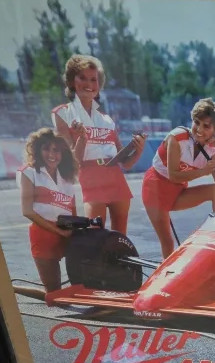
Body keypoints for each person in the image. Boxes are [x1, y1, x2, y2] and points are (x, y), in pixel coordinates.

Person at [52, 55, 144, 235]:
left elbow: (125, 163)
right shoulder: (62, 113)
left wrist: (138, 149)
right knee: (95, 237)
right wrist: (82, 139)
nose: (89, 84)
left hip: (115, 178)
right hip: (90, 177)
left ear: (99, 84)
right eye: (82, 78)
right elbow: (72, 162)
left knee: (120, 239)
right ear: (71, 81)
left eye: (93, 79)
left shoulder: (106, 119)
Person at [141, 98, 215, 258]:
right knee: (168, 242)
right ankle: (167, 272)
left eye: (206, 126)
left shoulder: (212, 150)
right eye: (197, 122)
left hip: (178, 191)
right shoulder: (177, 137)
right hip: (155, 188)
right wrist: (204, 171)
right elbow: (174, 176)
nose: (199, 129)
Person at [18, 128, 81, 294]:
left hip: (67, 232)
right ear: (37, 151)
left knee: (83, 283)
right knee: (54, 293)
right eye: (46, 149)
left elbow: (72, 210)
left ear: (63, 153)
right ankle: (11, 289)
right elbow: (27, 211)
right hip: (43, 234)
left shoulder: (66, 175)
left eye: (56, 150)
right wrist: (58, 231)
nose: (52, 154)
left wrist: (76, 232)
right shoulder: (29, 172)